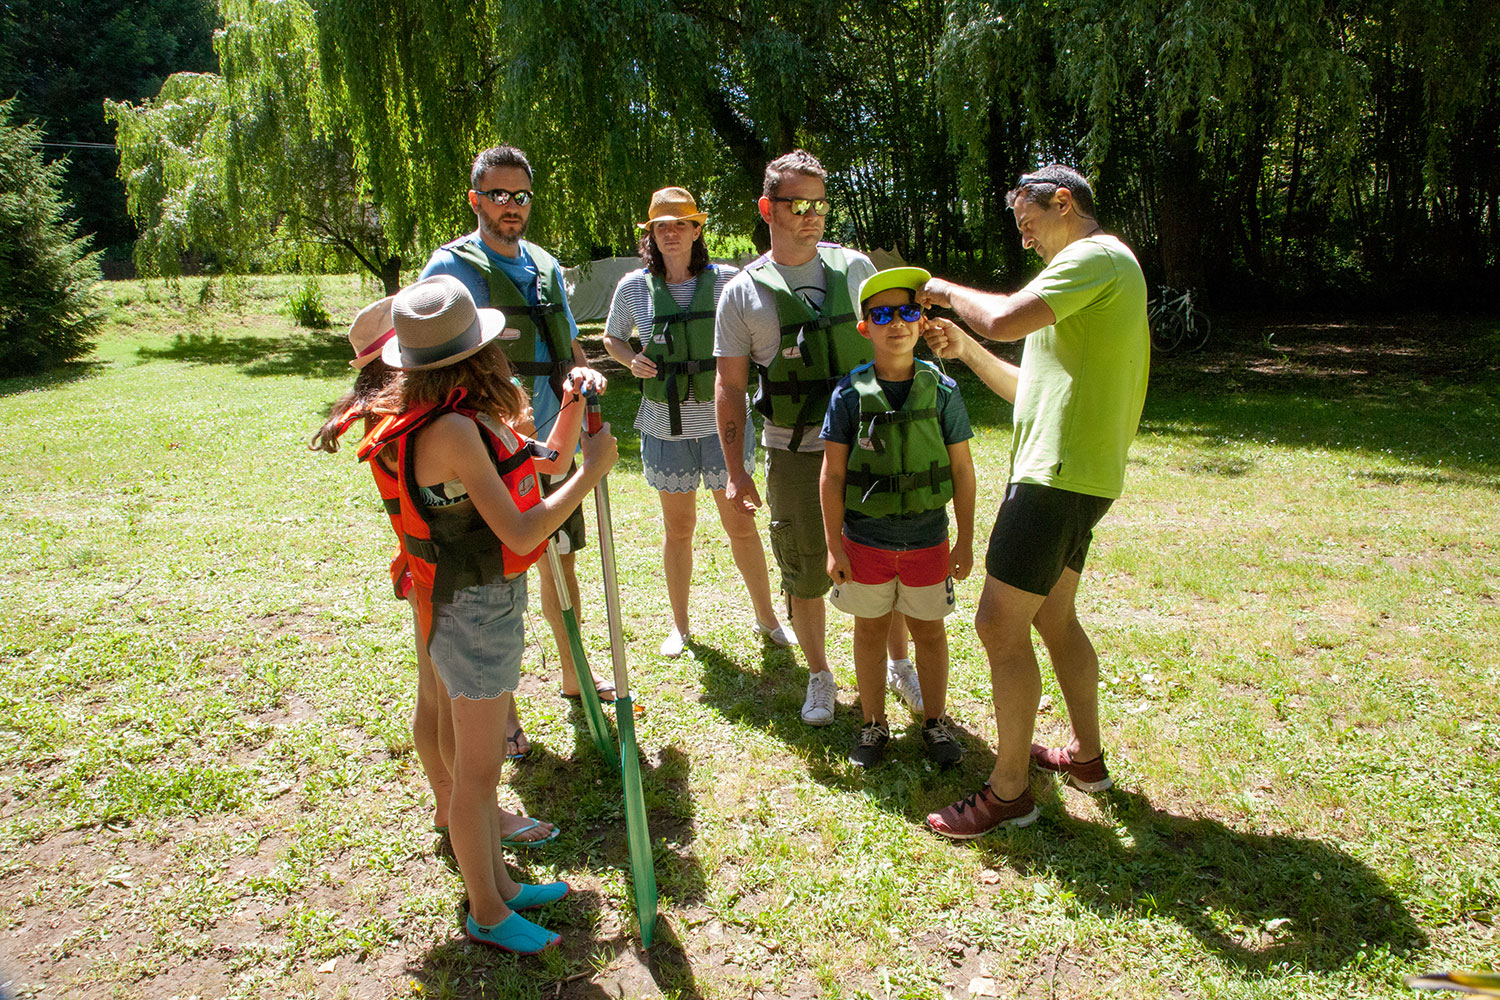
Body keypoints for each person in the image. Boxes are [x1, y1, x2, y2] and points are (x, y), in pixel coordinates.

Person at [367, 274, 619, 952]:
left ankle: (501, 886)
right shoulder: (450, 430)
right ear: (474, 360)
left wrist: (571, 404)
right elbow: (519, 531)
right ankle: (486, 910)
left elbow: (547, 459)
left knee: (478, 770)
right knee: (478, 778)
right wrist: (590, 477)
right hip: (474, 611)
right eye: (496, 345)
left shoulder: (460, 418)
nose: (505, 353)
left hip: (481, 605)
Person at [919, 164, 1149, 838]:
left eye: (1031, 225)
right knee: (1053, 616)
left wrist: (943, 290)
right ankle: (1086, 760)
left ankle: (1010, 791)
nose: (1030, 243)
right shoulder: (1090, 284)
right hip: (1078, 475)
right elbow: (1031, 389)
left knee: (997, 624)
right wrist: (966, 348)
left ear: (1064, 202)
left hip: (1056, 478)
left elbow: (1005, 314)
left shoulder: (1095, 256)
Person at [420, 145, 612, 745]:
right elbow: (431, 358)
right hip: (490, 445)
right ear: (475, 199)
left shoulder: (547, 267)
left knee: (561, 559)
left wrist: (587, 376)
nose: (510, 206)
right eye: (498, 195)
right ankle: (501, 716)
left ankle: (575, 675)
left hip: (553, 435)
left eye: (520, 196)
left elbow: (567, 345)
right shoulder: (448, 269)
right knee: (500, 574)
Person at [716, 148, 913, 726]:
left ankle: (900, 663)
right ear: (766, 208)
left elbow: (896, 345)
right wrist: (735, 469)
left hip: (871, 445)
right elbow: (729, 388)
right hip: (794, 451)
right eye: (797, 203)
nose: (811, 215)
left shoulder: (855, 270)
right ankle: (820, 675)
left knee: (886, 558)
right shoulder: (742, 293)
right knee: (804, 566)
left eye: (820, 204)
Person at [601, 186, 791, 657]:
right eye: (661, 226)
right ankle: (681, 627)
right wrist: (631, 361)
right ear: (651, 234)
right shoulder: (632, 288)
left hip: (723, 425)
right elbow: (611, 339)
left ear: (696, 230)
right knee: (679, 528)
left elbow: (762, 333)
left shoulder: (729, 280)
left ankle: (767, 619)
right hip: (665, 426)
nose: (670, 234)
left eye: (680, 224)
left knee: (740, 525)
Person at [820, 267, 977, 767]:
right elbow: (832, 477)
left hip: (928, 540)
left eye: (908, 311)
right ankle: (873, 723)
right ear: (865, 326)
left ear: (922, 317)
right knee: (870, 629)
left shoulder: (945, 391)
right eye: (881, 314)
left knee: (929, 631)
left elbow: (963, 471)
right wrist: (833, 545)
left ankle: (934, 722)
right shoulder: (847, 394)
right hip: (865, 540)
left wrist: (966, 541)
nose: (897, 323)